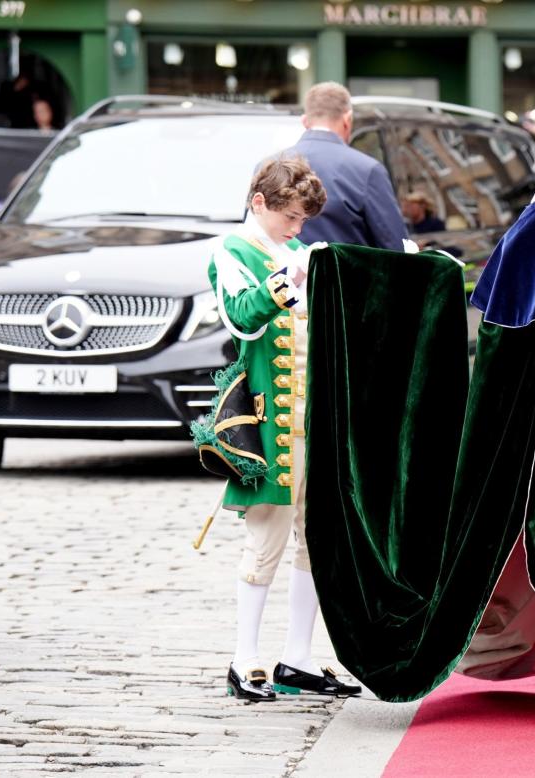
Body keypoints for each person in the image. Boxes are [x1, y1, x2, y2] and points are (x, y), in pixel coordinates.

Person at [207, 156, 361, 702]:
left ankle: (297, 657)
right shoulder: (233, 250)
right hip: (269, 425)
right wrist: (285, 281)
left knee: (312, 545)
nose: (297, 230)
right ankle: (243, 658)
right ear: (259, 204)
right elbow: (240, 316)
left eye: (302, 221)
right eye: (290, 218)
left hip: (312, 422)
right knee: (266, 541)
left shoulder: (297, 252)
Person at [284, 82, 409, 250]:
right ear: (347, 119)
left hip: (280, 275)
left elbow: (253, 241)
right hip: (346, 275)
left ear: (305, 121)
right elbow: (395, 248)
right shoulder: (367, 170)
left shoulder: (268, 166)